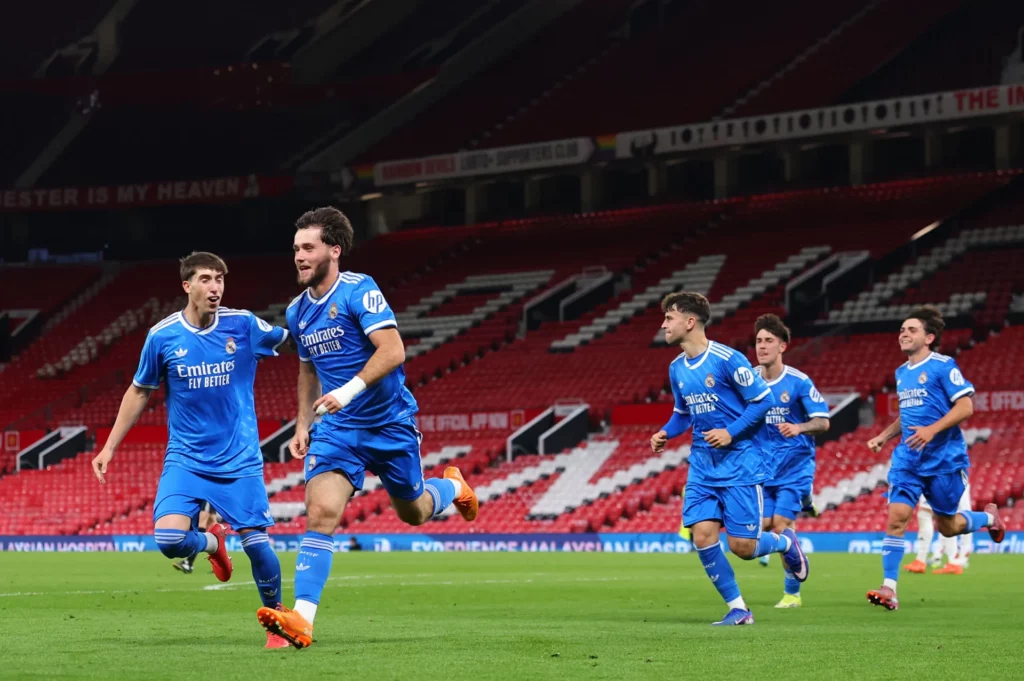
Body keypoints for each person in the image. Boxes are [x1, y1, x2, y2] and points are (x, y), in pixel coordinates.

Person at [257, 207, 478, 648]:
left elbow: (393, 350)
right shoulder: (298, 311)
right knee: (320, 514)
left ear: (334, 250)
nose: (298, 256)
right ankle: (302, 619)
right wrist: (301, 425)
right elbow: (306, 372)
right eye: (296, 248)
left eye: (308, 247)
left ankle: (452, 486)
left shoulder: (360, 290)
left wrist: (349, 390)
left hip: (389, 423)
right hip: (337, 429)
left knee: (413, 512)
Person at [91, 252, 291, 648]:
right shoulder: (162, 336)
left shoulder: (243, 324)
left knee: (257, 546)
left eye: (219, 279)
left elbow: (293, 336)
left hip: (239, 459)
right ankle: (214, 543)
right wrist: (109, 446)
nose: (214, 287)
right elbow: (139, 390)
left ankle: (278, 625)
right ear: (187, 286)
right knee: (168, 541)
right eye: (205, 279)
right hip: (186, 459)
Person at [650, 292, 808, 626]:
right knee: (703, 535)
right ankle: (739, 609)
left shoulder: (727, 359)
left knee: (743, 548)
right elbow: (682, 414)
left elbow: (763, 401)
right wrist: (665, 432)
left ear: (690, 322)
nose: (663, 324)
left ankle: (784, 542)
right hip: (703, 466)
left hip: (740, 464)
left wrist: (731, 432)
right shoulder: (676, 368)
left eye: (669, 317)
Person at [865, 306, 1005, 610]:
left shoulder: (943, 366)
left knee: (948, 527)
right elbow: (906, 416)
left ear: (929, 337)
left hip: (944, 460)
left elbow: (966, 406)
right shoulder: (902, 372)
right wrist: (884, 436)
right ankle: (889, 588)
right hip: (908, 459)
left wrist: (931, 430)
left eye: (911, 329)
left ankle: (989, 518)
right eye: (902, 329)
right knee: (896, 519)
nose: (903, 333)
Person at [752, 314, 830, 608]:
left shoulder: (798, 382)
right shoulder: (748, 381)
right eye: (759, 341)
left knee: (781, 524)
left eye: (768, 341)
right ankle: (803, 510)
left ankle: (792, 594)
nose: (762, 346)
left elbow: (823, 422)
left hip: (794, 467)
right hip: (761, 470)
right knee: (762, 527)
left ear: (783, 346)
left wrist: (799, 427)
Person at [904, 486, 974, 575]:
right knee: (955, 516)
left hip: (937, 477)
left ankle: (924, 560)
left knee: (927, 514)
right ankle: (954, 560)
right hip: (956, 479)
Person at [172, 501, 219, 573]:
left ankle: (188, 563)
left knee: (203, 524)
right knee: (213, 525)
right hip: (210, 496)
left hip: (207, 497)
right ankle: (221, 564)